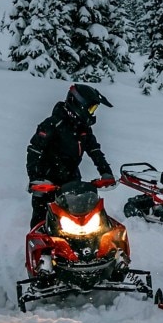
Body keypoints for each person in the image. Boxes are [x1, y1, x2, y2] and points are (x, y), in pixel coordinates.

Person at [26, 84, 116, 230]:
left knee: (82, 221)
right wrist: (35, 178)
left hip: (72, 181)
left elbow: (94, 150)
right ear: (78, 104)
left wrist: (105, 171)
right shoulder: (53, 124)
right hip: (46, 182)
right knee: (42, 223)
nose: (91, 113)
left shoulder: (83, 128)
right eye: (90, 108)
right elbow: (34, 150)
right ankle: (41, 251)